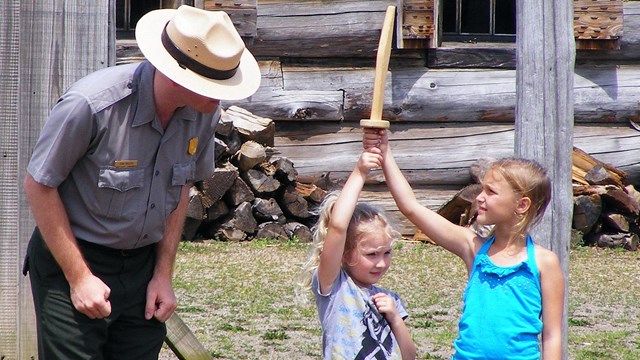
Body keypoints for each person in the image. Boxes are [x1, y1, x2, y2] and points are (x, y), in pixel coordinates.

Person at [22, 5, 261, 359]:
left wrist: (163, 274)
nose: (219, 96)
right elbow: (39, 185)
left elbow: (180, 188)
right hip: (72, 258)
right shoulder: (91, 106)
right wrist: (78, 277)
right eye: (212, 85)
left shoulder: (204, 113)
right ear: (179, 74)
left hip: (143, 266)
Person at [363, 128, 565, 359]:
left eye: (491, 192)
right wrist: (385, 152)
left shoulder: (544, 262)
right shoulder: (473, 249)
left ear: (521, 205)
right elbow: (411, 207)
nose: (479, 197)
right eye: (481, 189)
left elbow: (552, 335)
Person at [299, 146, 417, 360]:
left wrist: (395, 318)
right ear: (344, 253)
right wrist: (361, 171)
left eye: (387, 253)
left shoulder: (390, 300)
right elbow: (337, 227)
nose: (381, 263)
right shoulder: (334, 288)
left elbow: (409, 356)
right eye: (371, 254)